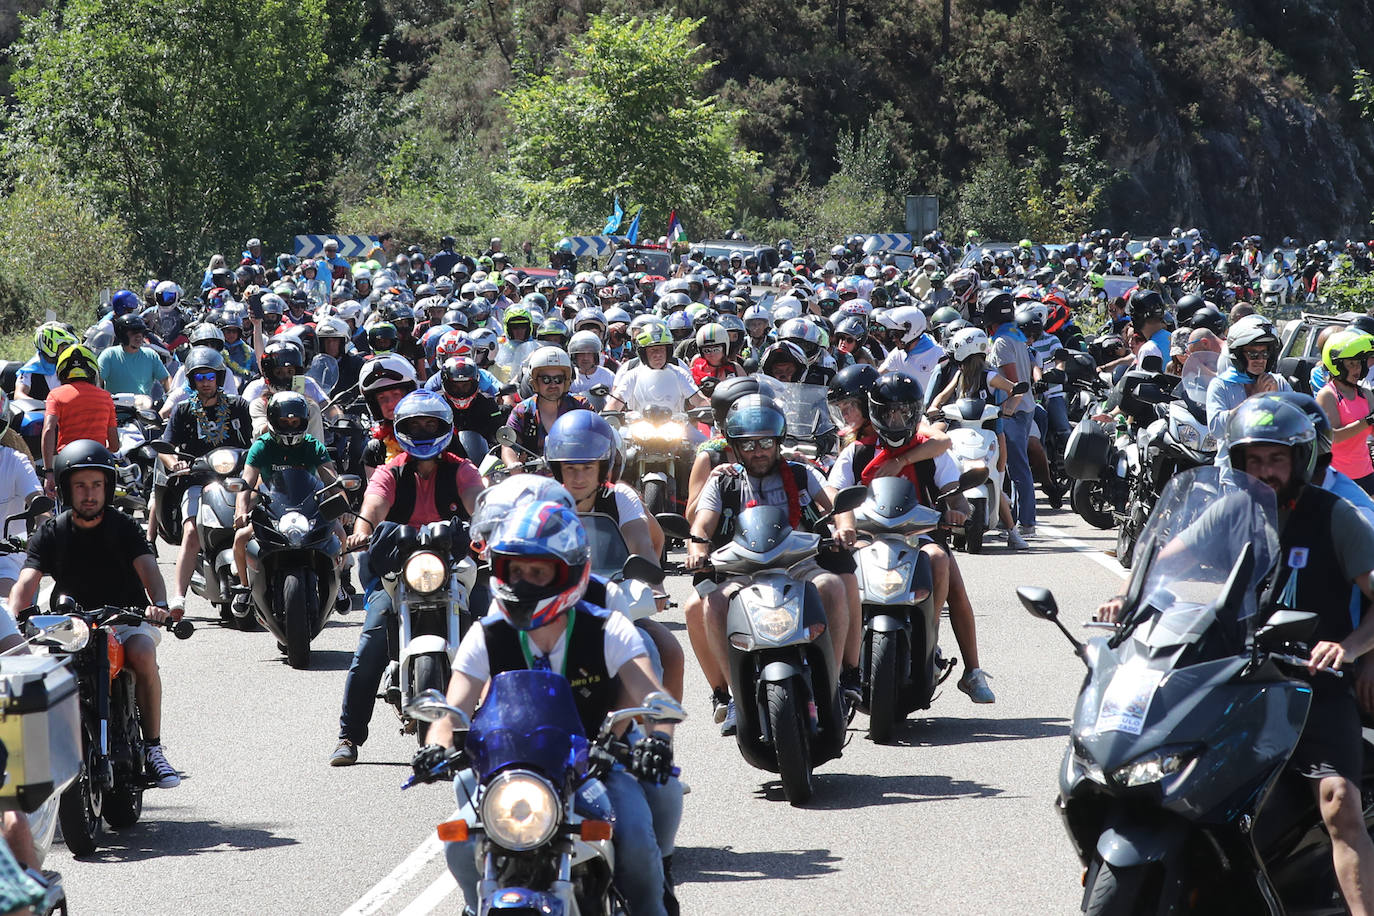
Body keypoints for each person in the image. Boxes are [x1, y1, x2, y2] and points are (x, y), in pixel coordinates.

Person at [1098, 399, 1374, 916]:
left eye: (1276, 459)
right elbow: (1167, 560)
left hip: (1312, 679)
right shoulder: (1232, 511)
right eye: (1254, 461)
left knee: (1339, 803)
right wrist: (1129, 598)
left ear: (1300, 459)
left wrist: (1350, 647)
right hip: (1237, 670)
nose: (1265, 472)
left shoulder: (1335, 516)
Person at [424, 501, 682, 916]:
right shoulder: (487, 633)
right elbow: (452, 708)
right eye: (516, 570)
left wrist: (659, 740)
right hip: (511, 766)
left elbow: (654, 697)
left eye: (539, 571)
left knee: (634, 835)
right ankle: (477, 906)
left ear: (570, 572)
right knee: (459, 837)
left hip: (596, 761)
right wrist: (436, 744)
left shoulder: (607, 628)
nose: (525, 582)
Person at [10, 439, 182, 788]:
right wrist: (13, 616)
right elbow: (25, 582)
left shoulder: (124, 527)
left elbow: (149, 569)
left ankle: (153, 749)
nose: (89, 494)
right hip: (69, 624)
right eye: (80, 486)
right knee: (42, 670)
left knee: (142, 653)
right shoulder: (51, 532)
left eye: (96, 485)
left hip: (125, 618)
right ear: (66, 489)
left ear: (107, 487)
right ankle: (45, 752)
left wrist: (159, 605)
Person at [685, 394, 854, 734]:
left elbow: (834, 504)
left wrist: (845, 526)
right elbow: (702, 523)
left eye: (764, 442)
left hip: (798, 563)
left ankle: (833, 685)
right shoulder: (724, 479)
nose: (757, 451)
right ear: (735, 445)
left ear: (777, 441)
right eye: (748, 444)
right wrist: (696, 547)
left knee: (833, 585)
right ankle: (733, 697)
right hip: (743, 569)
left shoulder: (801, 472)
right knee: (711, 603)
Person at [331, 390, 483, 766]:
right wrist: (361, 530)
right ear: (401, 430)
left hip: (454, 562)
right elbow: (374, 504)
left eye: (431, 424)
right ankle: (349, 735)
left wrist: (492, 527)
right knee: (370, 646)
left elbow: (481, 502)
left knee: (494, 633)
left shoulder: (461, 468)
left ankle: (501, 727)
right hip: (400, 566)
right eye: (415, 425)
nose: (424, 431)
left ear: (446, 428)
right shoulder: (391, 470)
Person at [829, 369, 995, 701]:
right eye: (888, 411)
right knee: (841, 576)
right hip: (868, 538)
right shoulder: (857, 450)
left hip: (920, 537)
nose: (895, 418)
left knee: (942, 564)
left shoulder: (929, 449)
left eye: (903, 411)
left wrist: (957, 507)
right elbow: (835, 490)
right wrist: (843, 523)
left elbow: (953, 488)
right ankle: (841, 668)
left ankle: (957, 660)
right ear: (874, 410)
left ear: (914, 412)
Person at [544, 410, 683, 699]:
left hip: (614, 605)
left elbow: (642, 544)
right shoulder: (544, 501)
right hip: (554, 609)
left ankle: (657, 734)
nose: (579, 477)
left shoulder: (621, 497)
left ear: (603, 466)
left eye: (587, 467)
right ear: (557, 469)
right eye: (570, 468)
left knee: (670, 652)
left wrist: (651, 583)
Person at [158, 347, 252, 613]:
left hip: (236, 481)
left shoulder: (238, 406)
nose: (206, 382)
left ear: (219, 378)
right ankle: (177, 597)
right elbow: (165, 447)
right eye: (199, 378)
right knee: (191, 531)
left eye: (210, 376)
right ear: (191, 381)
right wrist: (174, 463)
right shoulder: (183, 410)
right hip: (196, 482)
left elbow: (255, 442)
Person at [230, 392, 341, 615]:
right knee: (240, 538)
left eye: (295, 422)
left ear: (304, 422)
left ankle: (338, 584)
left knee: (340, 533)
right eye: (284, 422)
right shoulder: (261, 446)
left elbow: (332, 480)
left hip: (308, 507)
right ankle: (244, 587)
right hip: (272, 505)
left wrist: (343, 507)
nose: (290, 427)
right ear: (272, 421)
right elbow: (247, 482)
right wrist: (240, 512)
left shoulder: (313, 445)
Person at [982, 292, 1038, 538]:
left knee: (1016, 468)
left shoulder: (1002, 341)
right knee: (1018, 467)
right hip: (1025, 407)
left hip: (1014, 410)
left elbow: (1013, 382)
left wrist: (1006, 411)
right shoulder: (1017, 334)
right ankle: (1019, 520)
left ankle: (1024, 523)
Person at [41, 344, 116, 498]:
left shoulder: (55, 395)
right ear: (92, 370)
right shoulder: (105, 396)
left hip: (67, 463)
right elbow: (114, 445)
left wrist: (48, 472)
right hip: (98, 463)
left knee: (64, 510)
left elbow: (48, 430)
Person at [501, 346, 588, 470]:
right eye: (546, 379)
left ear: (566, 381)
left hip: (575, 476)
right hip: (533, 481)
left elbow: (598, 437)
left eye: (558, 379)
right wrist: (513, 464)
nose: (553, 384)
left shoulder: (580, 406)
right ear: (535, 381)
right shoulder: (522, 411)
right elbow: (508, 445)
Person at [1205, 314, 1290, 438]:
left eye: (1265, 354)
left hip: (1269, 453)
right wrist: (1254, 400)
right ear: (1239, 355)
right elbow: (1217, 429)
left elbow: (1296, 421)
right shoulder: (1221, 385)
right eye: (1253, 354)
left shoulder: (1278, 382)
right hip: (1233, 456)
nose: (1260, 360)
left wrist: (1277, 400)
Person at [1316, 329, 1374, 494]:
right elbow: (1333, 437)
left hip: (1366, 473)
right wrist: (1368, 421)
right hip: (1338, 478)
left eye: (1359, 363)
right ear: (1337, 365)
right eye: (1351, 364)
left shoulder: (1366, 394)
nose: (1357, 369)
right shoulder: (1328, 395)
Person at [98, 314, 170, 397]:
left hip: (143, 407)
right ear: (122, 334)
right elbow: (97, 380)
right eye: (134, 333)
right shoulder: (109, 355)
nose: (139, 336)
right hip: (116, 407)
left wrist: (171, 398)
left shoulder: (151, 355)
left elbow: (165, 379)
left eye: (141, 332)